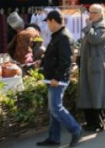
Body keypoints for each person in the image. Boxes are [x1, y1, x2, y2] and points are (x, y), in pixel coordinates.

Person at [37, 10, 82, 147]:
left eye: (48, 22)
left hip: (58, 78)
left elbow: (65, 61)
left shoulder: (63, 36)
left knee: (56, 107)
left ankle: (76, 129)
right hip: (53, 77)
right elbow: (55, 55)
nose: (47, 26)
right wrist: (43, 63)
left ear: (53, 21)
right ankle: (54, 137)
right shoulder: (59, 35)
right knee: (54, 109)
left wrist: (57, 77)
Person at [77, 4, 105, 132]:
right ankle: (90, 122)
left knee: (97, 93)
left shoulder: (103, 26)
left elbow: (94, 39)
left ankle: (98, 123)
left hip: (98, 64)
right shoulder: (94, 25)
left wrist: (88, 26)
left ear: (99, 14)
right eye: (90, 12)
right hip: (89, 63)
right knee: (88, 92)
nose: (90, 15)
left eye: (93, 12)